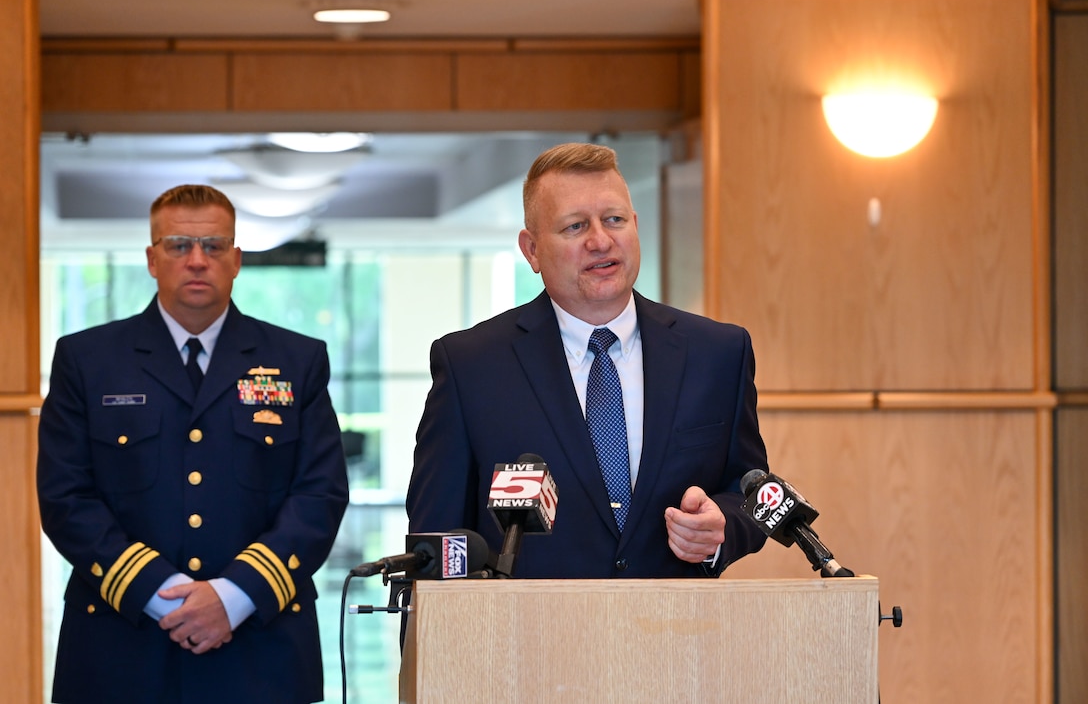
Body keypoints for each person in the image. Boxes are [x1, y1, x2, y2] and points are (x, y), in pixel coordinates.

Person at [37, 185, 349, 703]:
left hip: (260, 646)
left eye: (214, 246)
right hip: (123, 645)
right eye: (180, 245)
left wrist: (232, 597)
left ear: (237, 259)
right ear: (152, 259)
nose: (198, 260)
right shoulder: (86, 360)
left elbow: (319, 495)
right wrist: (166, 599)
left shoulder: (297, 360)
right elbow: (67, 499)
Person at [406, 142, 769, 578]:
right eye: (575, 226)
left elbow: (751, 493)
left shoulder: (717, 353)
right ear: (533, 250)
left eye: (614, 220)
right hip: (527, 639)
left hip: (681, 635)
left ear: (635, 226)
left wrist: (720, 528)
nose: (600, 241)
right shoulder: (472, 365)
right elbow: (439, 538)